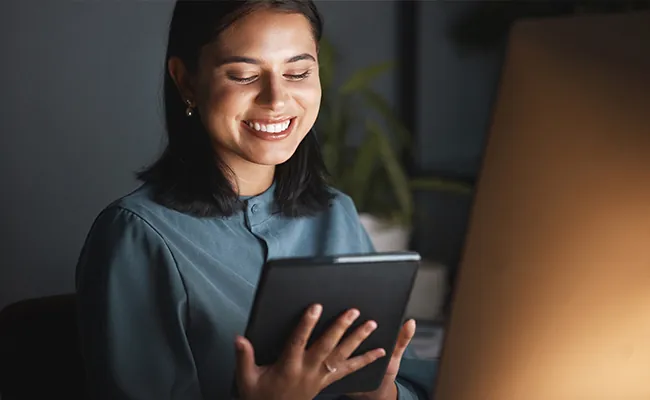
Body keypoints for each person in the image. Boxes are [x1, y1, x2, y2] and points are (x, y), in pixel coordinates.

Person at [75, 0, 436, 399]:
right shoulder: (138, 236)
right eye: (245, 75)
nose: (276, 99)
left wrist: (387, 395)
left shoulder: (337, 213)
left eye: (297, 72)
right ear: (186, 81)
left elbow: (408, 376)